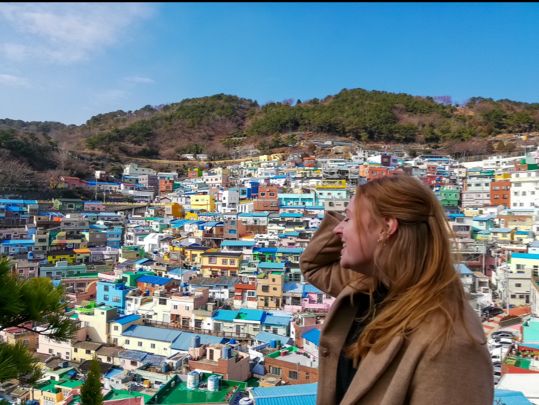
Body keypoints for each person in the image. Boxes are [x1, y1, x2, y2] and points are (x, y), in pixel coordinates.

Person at [300, 175, 493, 405]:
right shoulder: (372, 286)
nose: (337, 230)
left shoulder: (450, 343)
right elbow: (314, 265)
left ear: (386, 228)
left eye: (349, 219)